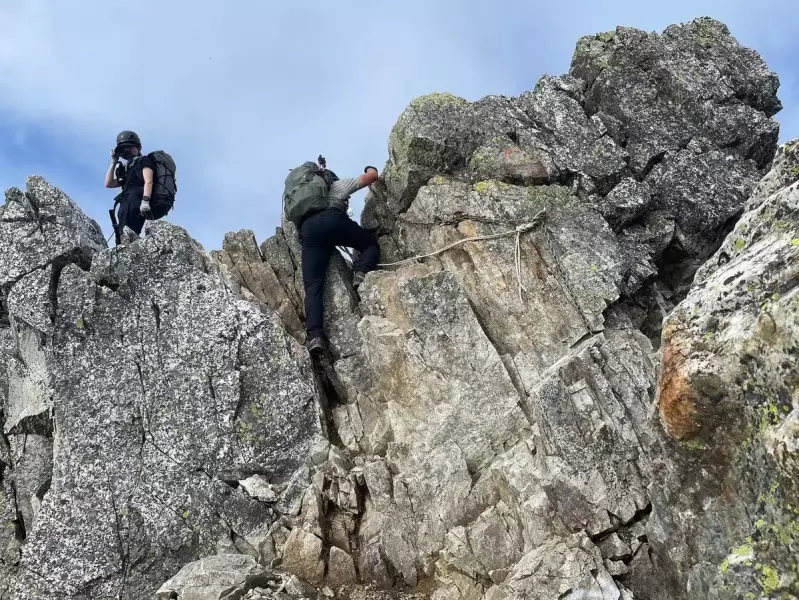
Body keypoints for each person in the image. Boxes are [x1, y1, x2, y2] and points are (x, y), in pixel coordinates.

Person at [301, 166, 380, 355]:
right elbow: (371, 177)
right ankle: (360, 273)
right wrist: (371, 169)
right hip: (333, 221)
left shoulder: (302, 201)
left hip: (309, 231)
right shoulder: (337, 185)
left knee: (313, 286)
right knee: (370, 245)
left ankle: (315, 336)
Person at [104, 130, 157, 242]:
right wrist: (114, 162)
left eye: (130, 147)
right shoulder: (127, 168)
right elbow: (108, 183)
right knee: (121, 231)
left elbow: (148, 181)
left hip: (136, 199)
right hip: (125, 201)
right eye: (124, 149)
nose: (127, 151)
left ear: (138, 148)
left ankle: (132, 251)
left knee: (130, 229)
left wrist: (145, 201)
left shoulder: (145, 160)